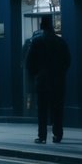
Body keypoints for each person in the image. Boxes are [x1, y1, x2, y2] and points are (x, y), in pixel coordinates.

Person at [25, 14, 71, 144]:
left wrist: (36, 74)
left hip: (42, 81)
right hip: (58, 81)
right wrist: (60, 73)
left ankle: (42, 136)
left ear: (41, 26)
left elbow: (29, 62)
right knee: (57, 109)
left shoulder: (37, 41)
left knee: (42, 110)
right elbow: (68, 61)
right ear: (52, 26)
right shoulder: (61, 42)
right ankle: (57, 135)